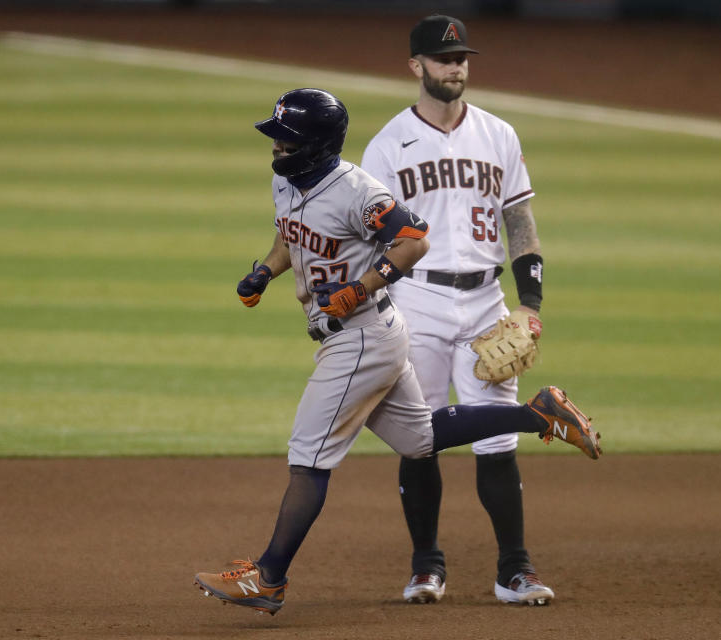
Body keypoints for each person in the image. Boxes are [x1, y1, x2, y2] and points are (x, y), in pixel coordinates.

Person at [193, 87, 601, 615]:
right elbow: (288, 236)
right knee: (422, 439)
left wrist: (358, 288)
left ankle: (268, 577)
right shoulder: (285, 181)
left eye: (286, 141)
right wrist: (265, 273)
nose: (275, 149)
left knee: (308, 457)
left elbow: (413, 239)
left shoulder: (357, 191)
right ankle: (537, 414)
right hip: (371, 336)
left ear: (316, 145)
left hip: (361, 338)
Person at [361, 15, 601, 607]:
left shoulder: (498, 135)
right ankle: (426, 567)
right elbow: (371, 235)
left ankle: (514, 571)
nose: (456, 68)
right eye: (443, 60)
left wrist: (531, 304)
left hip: (487, 300)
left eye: (462, 58)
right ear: (416, 66)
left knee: (497, 438)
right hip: (416, 298)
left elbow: (519, 221)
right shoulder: (388, 144)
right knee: (419, 439)